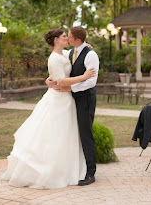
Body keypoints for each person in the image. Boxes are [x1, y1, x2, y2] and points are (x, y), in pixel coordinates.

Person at [1, 29, 96, 189]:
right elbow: (60, 81)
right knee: (54, 134)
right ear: (57, 40)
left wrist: (87, 46)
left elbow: (72, 59)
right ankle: (51, 170)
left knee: (67, 135)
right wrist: (83, 77)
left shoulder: (66, 54)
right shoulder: (54, 59)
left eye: (69, 36)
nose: (67, 38)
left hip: (67, 100)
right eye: (64, 36)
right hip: (59, 99)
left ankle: (71, 168)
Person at [46, 26, 99, 186]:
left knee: (86, 133)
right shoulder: (69, 53)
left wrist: (70, 88)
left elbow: (91, 81)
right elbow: (57, 69)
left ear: (77, 40)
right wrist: (47, 80)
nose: (67, 39)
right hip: (72, 98)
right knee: (75, 132)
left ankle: (91, 173)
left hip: (86, 99)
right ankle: (78, 167)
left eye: (69, 36)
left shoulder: (91, 54)